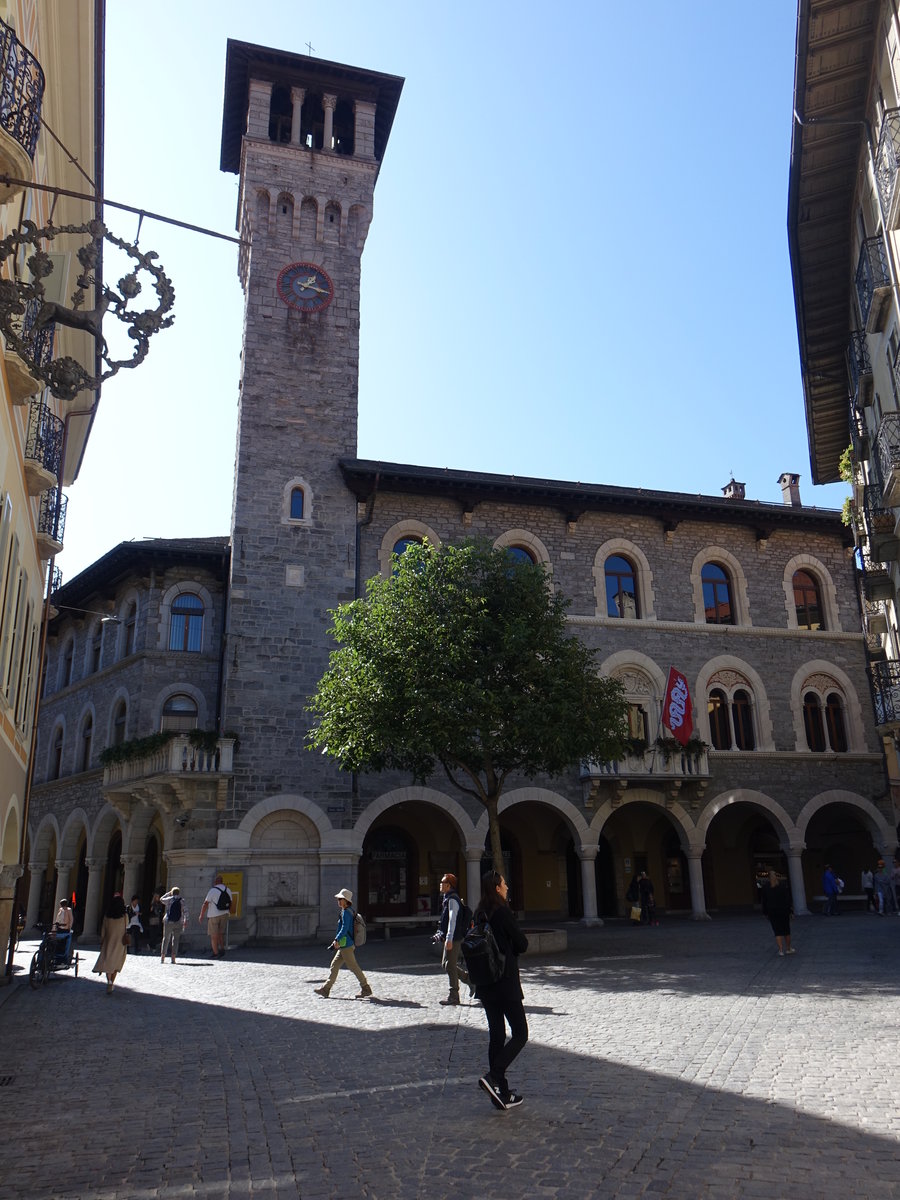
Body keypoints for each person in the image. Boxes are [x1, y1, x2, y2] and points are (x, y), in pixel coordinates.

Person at [475, 870, 529, 1112]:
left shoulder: (480, 913)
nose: (507, 887)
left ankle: (502, 1093)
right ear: (497, 888)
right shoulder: (503, 912)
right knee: (520, 1033)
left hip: (485, 983)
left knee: (496, 1035)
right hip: (505, 982)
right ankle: (495, 1076)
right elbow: (522, 944)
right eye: (504, 884)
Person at [314, 888, 372, 999]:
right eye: (338, 899)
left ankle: (366, 987)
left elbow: (344, 929)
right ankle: (326, 989)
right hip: (345, 944)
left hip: (346, 945)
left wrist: (336, 939)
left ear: (346, 900)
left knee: (353, 967)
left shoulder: (346, 912)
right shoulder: (349, 910)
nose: (338, 901)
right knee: (334, 965)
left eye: (341, 899)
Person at [434, 873, 473, 1006]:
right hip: (450, 937)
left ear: (448, 885)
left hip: (454, 938)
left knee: (449, 965)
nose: (440, 884)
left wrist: (449, 938)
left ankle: (454, 995)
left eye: (443, 882)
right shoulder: (447, 898)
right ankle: (468, 979)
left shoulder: (452, 900)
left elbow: (453, 920)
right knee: (446, 964)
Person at [92, 893, 128, 993]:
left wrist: (102, 940)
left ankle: (109, 982)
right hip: (120, 943)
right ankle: (112, 981)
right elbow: (127, 926)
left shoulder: (107, 916)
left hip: (109, 941)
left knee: (108, 962)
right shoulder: (124, 916)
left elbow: (103, 929)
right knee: (116, 963)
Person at [760, 870, 794, 955]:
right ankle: (788, 948)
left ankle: (781, 950)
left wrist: (765, 913)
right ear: (777, 876)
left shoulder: (766, 887)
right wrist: (790, 911)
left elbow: (764, 901)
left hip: (772, 911)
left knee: (777, 931)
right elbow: (787, 900)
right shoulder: (782, 886)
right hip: (783, 911)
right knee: (786, 930)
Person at [198, 874, 231, 958]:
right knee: (221, 933)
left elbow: (205, 903)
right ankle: (222, 949)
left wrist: (201, 915)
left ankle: (215, 953)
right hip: (225, 914)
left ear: (215, 882)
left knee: (213, 935)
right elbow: (230, 902)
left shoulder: (212, 890)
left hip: (214, 915)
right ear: (222, 881)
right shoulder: (228, 890)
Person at [160, 886, 187, 963]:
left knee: (166, 938)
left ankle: (163, 957)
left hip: (168, 921)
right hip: (179, 922)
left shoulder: (169, 899)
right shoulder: (182, 900)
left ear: (172, 893)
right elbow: (186, 911)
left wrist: (168, 893)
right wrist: (185, 920)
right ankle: (173, 958)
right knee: (176, 940)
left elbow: (161, 899)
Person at [52, 897, 74, 961]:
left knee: (64, 940)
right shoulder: (60, 910)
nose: (61, 904)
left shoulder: (69, 910)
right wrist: (55, 925)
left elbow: (71, 919)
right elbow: (57, 918)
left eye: (62, 903)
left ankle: (64, 954)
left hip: (66, 928)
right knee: (57, 940)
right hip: (60, 928)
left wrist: (70, 927)